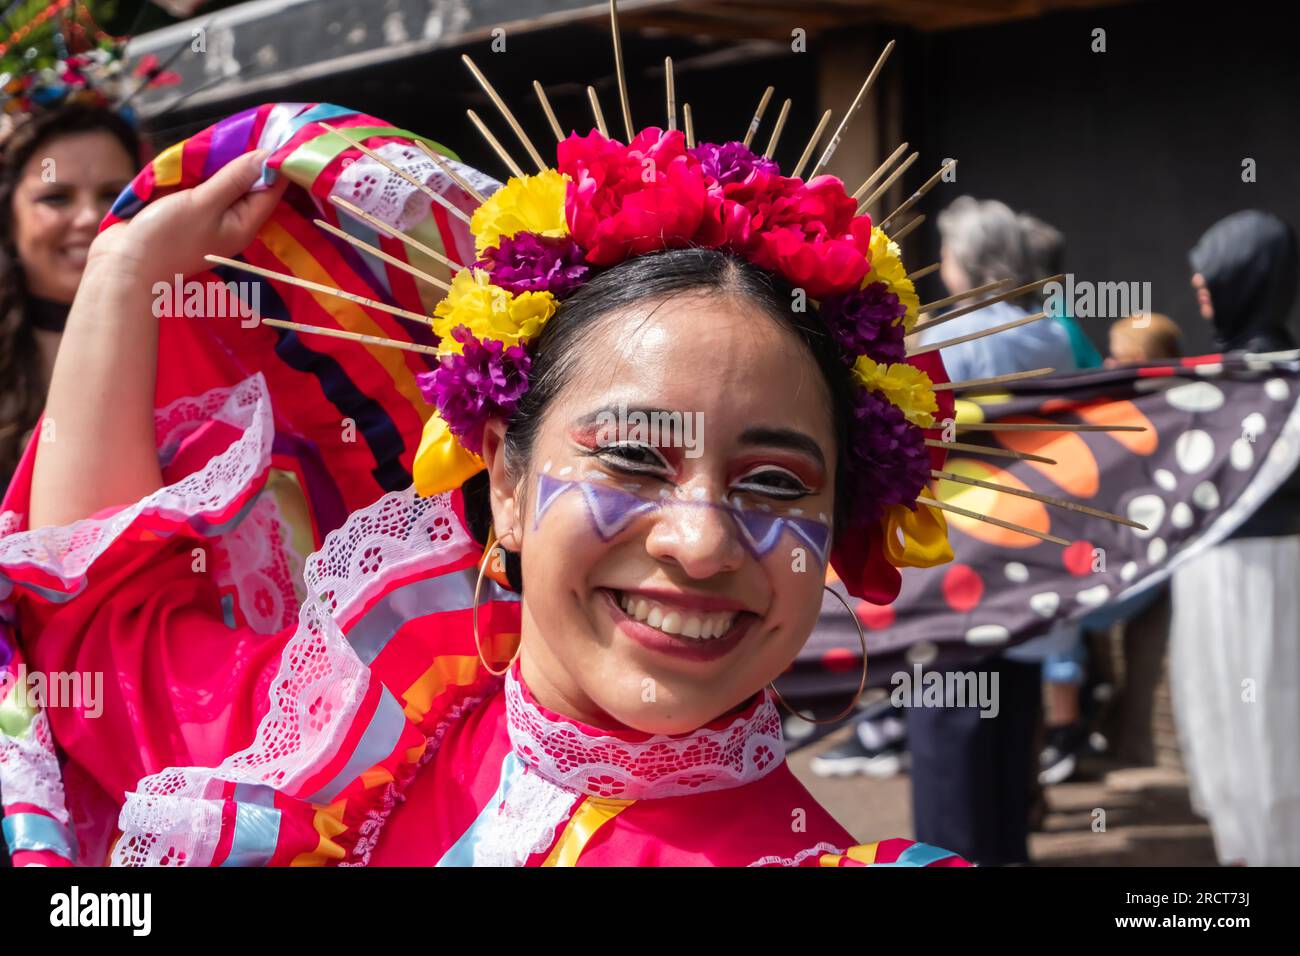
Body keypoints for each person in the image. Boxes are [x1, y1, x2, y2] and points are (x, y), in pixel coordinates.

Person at [0, 86, 991, 865]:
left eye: (773, 483)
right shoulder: (365, 731)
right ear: (504, 481)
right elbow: (103, 641)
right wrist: (126, 274)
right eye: (635, 457)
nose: (700, 540)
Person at [1170, 209, 1300, 865]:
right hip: (1210, 576)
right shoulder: (1208, 380)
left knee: (1275, 725)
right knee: (1219, 718)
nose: (1197, 280)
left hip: (1271, 574)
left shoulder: (1285, 380)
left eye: (1213, 266)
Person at [0, 103, 140, 492]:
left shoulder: (210, 335)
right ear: (9, 216)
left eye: (115, 194)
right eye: (56, 198)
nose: (89, 218)